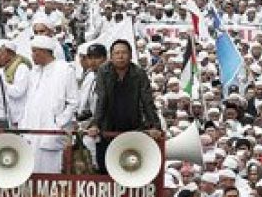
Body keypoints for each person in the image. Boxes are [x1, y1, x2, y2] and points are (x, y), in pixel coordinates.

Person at [86, 39, 162, 173]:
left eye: (124, 53)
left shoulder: (139, 73)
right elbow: (101, 99)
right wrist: (95, 124)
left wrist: (155, 126)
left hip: (132, 125)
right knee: (105, 168)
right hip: (107, 126)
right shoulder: (103, 72)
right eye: (117, 53)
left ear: (131, 55)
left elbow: (147, 101)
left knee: (131, 168)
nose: (120, 56)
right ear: (111, 56)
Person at [20, 35, 78, 174]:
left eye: (34, 51)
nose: (32, 55)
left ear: (44, 52)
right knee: (28, 172)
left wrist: (58, 123)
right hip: (31, 130)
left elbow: (73, 102)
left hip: (51, 132)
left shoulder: (65, 70)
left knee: (49, 174)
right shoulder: (34, 72)